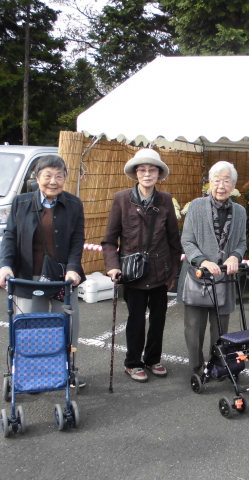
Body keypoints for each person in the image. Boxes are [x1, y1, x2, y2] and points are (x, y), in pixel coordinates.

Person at [0, 154, 86, 387]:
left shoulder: (74, 204)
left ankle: (68, 370)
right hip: (29, 277)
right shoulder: (21, 202)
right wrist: (5, 266)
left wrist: (73, 269)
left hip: (62, 278)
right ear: (37, 178)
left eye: (59, 176)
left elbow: (78, 240)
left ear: (65, 178)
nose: (53, 181)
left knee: (68, 325)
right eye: (48, 176)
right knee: (29, 326)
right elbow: (10, 236)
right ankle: (30, 374)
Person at [102, 148, 181, 383]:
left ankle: (152, 359)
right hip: (132, 272)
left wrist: (173, 273)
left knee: (158, 319)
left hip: (159, 272)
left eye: (152, 170)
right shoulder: (121, 199)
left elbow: (174, 241)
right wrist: (113, 266)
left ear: (159, 174)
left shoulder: (165, 200)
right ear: (136, 173)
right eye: (142, 170)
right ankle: (133, 363)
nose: (147, 174)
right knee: (135, 320)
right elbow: (109, 240)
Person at [179, 161, 246, 375]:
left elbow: (242, 242)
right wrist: (202, 260)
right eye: (217, 180)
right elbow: (187, 240)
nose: (221, 186)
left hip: (224, 278)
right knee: (194, 328)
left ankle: (217, 365)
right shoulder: (197, 206)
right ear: (210, 182)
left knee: (220, 328)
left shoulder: (240, 211)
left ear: (233, 185)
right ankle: (196, 368)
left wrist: (235, 256)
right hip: (198, 277)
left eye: (226, 181)